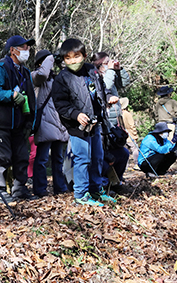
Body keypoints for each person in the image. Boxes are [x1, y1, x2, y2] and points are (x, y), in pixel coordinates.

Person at [51, 38, 117, 207]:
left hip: (95, 123)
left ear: (85, 56)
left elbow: (103, 90)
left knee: (97, 157)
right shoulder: (62, 78)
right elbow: (60, 104)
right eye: (68, 58)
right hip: (77, 127)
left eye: (76, 56)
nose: (72, 61)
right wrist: (75, 114)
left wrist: (109, 98)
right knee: (82, 159)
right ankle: (81, 194)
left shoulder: (91, 71)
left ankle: (96, 190)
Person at [0, 35, 38, 203]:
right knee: (4, 156)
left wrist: (31, 121)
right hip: (0, 123)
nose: (27, 51)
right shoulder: (0, 68)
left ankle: (19, 188)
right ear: (12, 50)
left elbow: (30, 97)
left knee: (22, 155)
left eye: (28, 48)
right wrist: (11, 95)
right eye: (23, 47)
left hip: (20, 122)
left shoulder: (25, 71)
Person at [30, 50, 69, 197]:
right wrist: (51, 57)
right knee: (42, 159)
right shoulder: (36, 77)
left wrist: (61, 61)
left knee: (58, 159)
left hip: (59, 124)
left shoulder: (56, 79)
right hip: (45, 124)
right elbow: (42, 74)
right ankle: (40, 189)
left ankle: (60, 187)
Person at [91, 52, 129, 190]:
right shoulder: (95, 78)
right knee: (103, 153)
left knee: (122, 152)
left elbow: (124, 83)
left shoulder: (111, 75)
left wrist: (120, 69)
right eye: (107, 62)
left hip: (116, 121)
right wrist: (111, 71)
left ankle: (116, 181)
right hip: (103, 123)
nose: (110, 64)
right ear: (100, 66)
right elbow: (105, 86)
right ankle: (102, 183)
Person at [120, 97, 139, 165]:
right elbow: (132, 125)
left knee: (125, 150)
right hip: (129, 134)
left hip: (123, 134)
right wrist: (135, 134)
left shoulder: (120, 113)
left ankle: (125, 165)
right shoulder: (127, 114)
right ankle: (136, 163)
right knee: (135, 149)